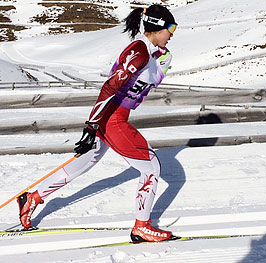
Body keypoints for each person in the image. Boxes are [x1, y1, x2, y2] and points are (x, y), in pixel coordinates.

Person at [16, 4, 178, 242]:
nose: (172, 33)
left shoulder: (152, 53)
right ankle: (142, 227)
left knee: (82, 164)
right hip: (113, 118)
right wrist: (92, 124)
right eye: (170, 27)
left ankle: (32, 198)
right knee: (151, 167)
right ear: (156, 27)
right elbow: (110, 86)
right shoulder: (139, 51)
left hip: (113, 117)